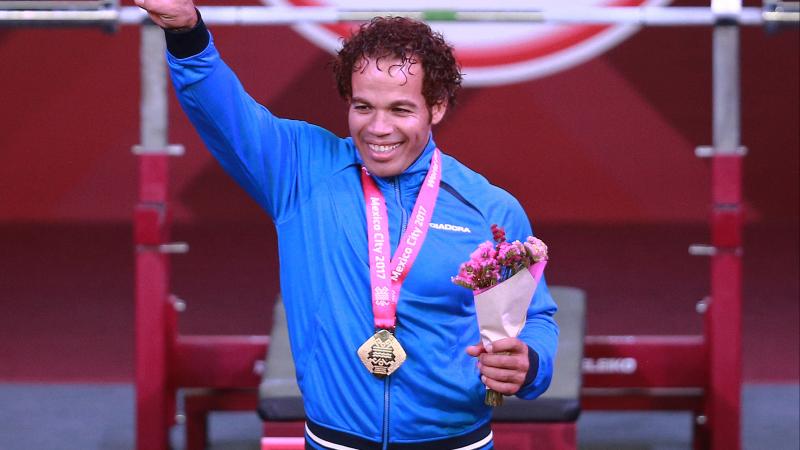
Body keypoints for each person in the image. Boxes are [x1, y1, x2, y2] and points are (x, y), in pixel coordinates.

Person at [135, 1, 559, 448]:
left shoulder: (489, 209)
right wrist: (186, 32)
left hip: (457, 442)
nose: (378, 128)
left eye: (400, 109)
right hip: (334, 440)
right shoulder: (301, 172)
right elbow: (224, 112)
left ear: (436, 107)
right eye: (363, 106)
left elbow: (535, 317)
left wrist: (530, 363)